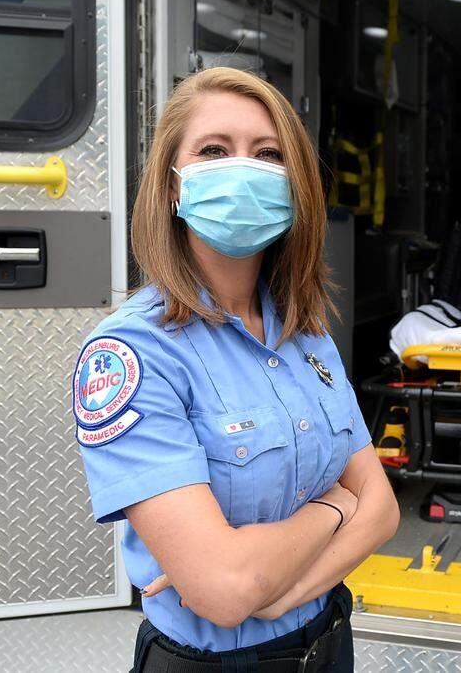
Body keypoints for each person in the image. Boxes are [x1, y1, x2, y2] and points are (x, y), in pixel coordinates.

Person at [71, 66, 400, 672]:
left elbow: (381, 509)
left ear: (293, 183)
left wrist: (273, 596)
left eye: (268, 154)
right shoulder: (135, 353)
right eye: (214, 151)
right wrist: (334, 508)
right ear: (173, 185)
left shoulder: (306, 332)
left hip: (330, 642)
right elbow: (223, 590)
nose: (242, 170)